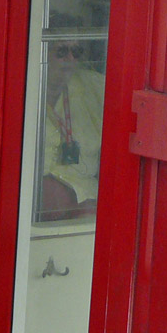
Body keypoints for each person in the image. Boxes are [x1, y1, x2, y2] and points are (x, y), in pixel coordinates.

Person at [38, 38, 105, 221]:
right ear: (44, 52)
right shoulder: (21, 85)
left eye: (76, 52)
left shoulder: (94, 87)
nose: (71, 59)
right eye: (62, 52)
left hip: (86, 206)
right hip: (28, 212)